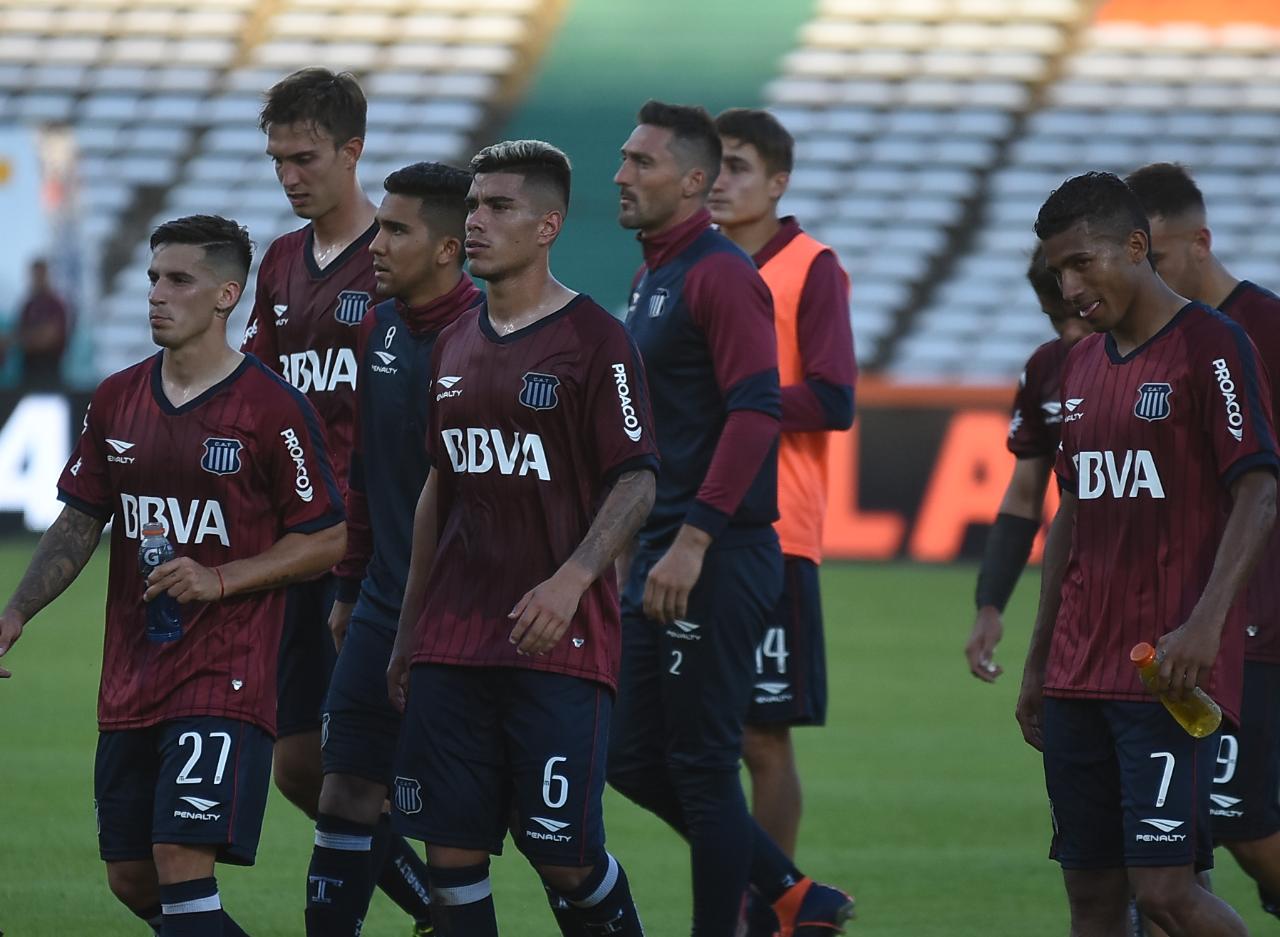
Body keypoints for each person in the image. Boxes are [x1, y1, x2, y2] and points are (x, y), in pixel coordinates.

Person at [0, 214, 347, 936]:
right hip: (132, 670)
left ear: (226, 295)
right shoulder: (118, 395)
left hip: (226, 675)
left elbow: (326, 537)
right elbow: (78, 519)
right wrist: (16, 611)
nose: (157, 293)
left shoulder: (273, 408)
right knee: (132, 878)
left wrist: (219, 580)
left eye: (178, 279)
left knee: (180, 867)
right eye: (154, 277)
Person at [387, 140, 656, 937]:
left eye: (499, 207)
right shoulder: (456, 343)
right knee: (451, 860)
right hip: (453, 645)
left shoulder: (597, 342)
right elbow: (442, 485)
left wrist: (573, 579)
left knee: (563, 856)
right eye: (472, 205)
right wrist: (409, 632)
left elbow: (638, 478)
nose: (475, 221)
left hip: (557, 648)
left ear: (549, 225)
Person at [608, 99, 853, 937]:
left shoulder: (720, 274)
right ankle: (791, 889)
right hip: (661, 548)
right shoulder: (651, 278)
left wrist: (694, 538)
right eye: (624, 159)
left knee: (715, 761)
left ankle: (752, 917)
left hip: (717, 551)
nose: (622, 175)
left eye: (641, 162)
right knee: (629, 755)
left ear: (693, 180)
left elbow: (753, 408)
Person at [1016, 171, 1279, 937]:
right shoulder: (1082, 364)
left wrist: (1206, 625)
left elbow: (1259, 489)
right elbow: (1071, 512)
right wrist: (1039, 659)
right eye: (1057, 271)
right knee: (1093, 900)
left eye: (1081, 263)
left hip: (1164, 670)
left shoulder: (1212, 344)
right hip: (1075, 674)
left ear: (1136, 247)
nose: (1069, 287)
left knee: (1166, 892)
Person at [244, 67, 435, 932]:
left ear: (353, 151)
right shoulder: (281, 262)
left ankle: (441, 901)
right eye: (278, 158)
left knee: (368, 766)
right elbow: (258, 392)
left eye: (306, 157)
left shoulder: (396, 259)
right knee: (296, 766)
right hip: (300, 545)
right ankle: (443, 906)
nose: (290, 175)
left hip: (378, 547)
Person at [305, 162, 480, 936]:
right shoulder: (376, 325)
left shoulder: (485, 336)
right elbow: (367, 471)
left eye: (397, 229)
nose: (376, 243)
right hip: (380, 597)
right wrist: (348, 588)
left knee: (453, 830)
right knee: (341, 787)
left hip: (464, 610)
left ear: (448, 248)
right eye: (379, 226)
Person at [1126, 160, 1280, 920]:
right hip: (1173, 620)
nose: (1143, 276)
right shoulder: (1144, 341)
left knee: (1243, 825)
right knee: (1171, 845)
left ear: (1200, 243)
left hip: (1257, 622)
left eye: (1153, 258)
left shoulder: (1266, 330)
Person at [707, 105, 854, 874]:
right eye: (714, 167)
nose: (719, 183)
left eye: (737, 167)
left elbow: (834, 398)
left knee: (760, 734)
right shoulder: (691, 268)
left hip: (776, 530)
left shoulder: (810, 266)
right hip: (692, 527)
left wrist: (733, 398)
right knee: (693, 739)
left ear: (777, 180)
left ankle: (774, 905)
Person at [964, 247, 1091, 682]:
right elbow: (1024, 496)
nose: (1071, 331)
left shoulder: (1168, 360)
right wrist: (990, 605)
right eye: (1056, 320)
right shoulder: (1045, 368)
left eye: (1079, 312)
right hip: (1078, 598)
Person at [11, 258, 71, 388]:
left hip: (50, 371)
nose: (37, 279)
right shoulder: (28, 305)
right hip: (29, 372)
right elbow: (19, 337)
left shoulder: (55, 304)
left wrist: (31, 337)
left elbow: (51, 337)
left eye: (41, 274)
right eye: (35, 275)